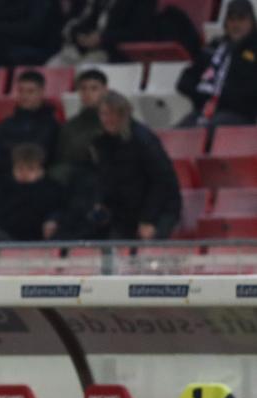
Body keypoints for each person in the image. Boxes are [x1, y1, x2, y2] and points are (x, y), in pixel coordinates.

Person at [85, 91, 181, 240]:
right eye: (104, 114)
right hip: (125, 210)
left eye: (113, 114)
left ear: (125, 114)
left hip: (160, 208)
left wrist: (148, 219)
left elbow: (162, 182)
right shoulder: (101, 142)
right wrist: (101, 202)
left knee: (147, 248)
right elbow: (103, 178)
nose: (108, 119)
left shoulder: (143, 140)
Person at [177, 0, 257, 128]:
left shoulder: (254, 50)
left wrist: (220, 97)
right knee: (179, 132)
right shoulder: (214, 46)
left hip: (238, 114)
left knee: (209, 127)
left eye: (241, 19)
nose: (236, 25)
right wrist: (202, 95)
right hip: (204, 110)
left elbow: (251, 91)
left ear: (252, 22)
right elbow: (185, 80)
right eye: (232, 20)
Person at [0, 143, 64, 241]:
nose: (24, 173)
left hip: (21, 240)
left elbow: (60, 211)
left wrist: (53, 220)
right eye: (19, 168)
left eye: (30, 169)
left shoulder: (51, 190)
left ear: (40, 169)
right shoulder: (1, 185)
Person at [0, 70, 60, 177]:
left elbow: (41, 156)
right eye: (21, 91)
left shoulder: (51, 126)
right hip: (3, 177)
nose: (24, 96)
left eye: (30, 91)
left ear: (41, 92)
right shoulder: (6, 124)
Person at [48, 0, 156, 66]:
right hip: (84, 49)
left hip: (113, 52)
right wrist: (79, 35)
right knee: (52, 68)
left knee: (86, 73)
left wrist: (103, 38)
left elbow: (138, 33)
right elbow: (89, 21)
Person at [50, 68, 107, 186]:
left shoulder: (113, 123)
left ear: (105, 90)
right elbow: (61, 159)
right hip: (72, 180)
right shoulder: (69, 126)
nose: (88, 93)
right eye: (83, 88)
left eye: (94, 88)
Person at [0, 0, 64, 67]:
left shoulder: (41, 2)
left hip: (38, 50)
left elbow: (33, 30)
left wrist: (0, 28)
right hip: (1, 49)